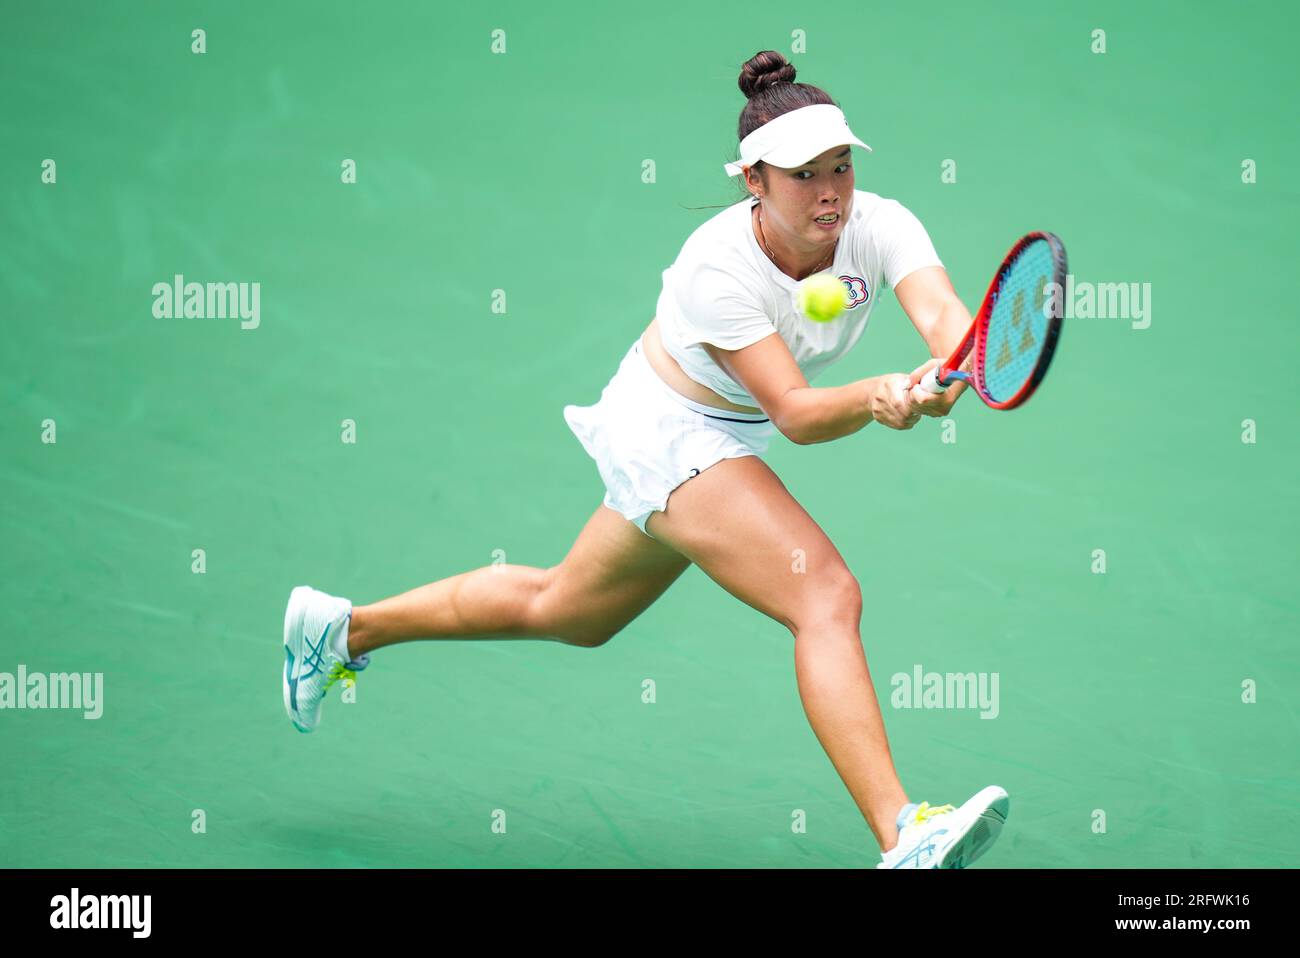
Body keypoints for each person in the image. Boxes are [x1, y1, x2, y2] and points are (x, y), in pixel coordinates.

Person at [282, 50, 1009, 869]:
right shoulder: (715, 266)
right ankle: (904, 834)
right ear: (754, 182)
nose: (831, 190)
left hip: (725, 436)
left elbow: (946, 314)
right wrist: (883, 396)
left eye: (840, 165)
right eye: (803, 174)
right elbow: (799, 415)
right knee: (826, 596)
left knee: (568, 611)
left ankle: (339, 629)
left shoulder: (880, 225)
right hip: (666, 428)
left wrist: (953, 370)